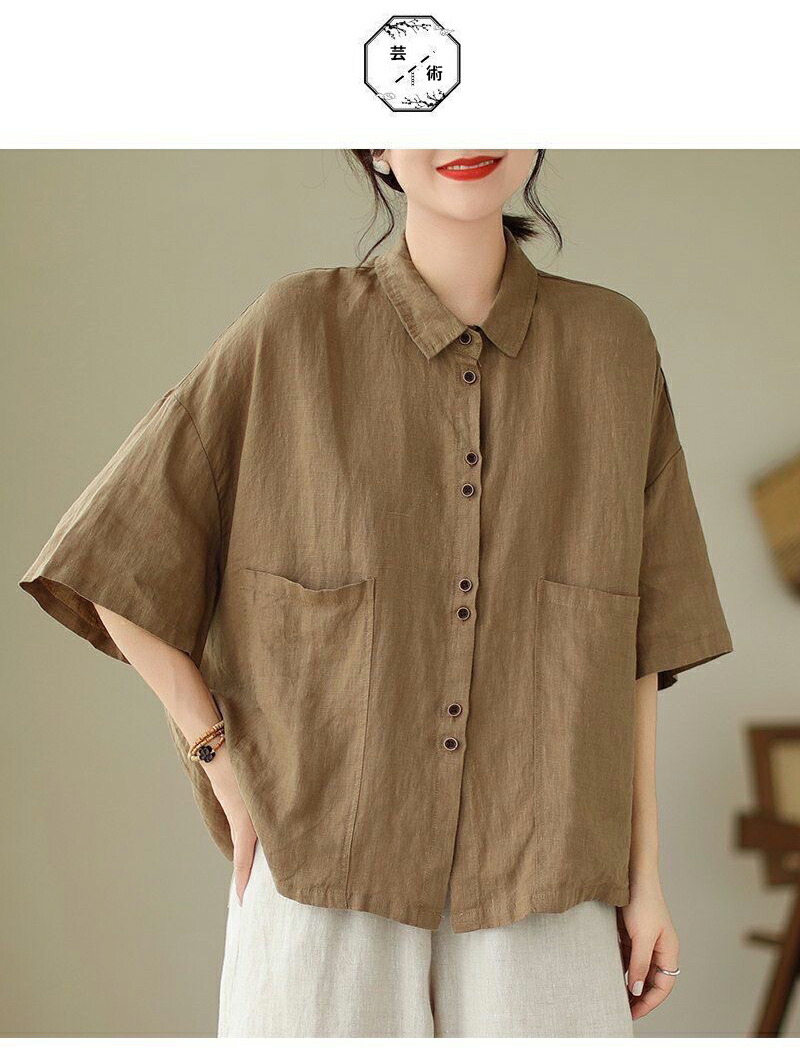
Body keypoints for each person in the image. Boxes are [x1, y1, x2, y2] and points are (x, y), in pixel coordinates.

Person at [19, 149, 733, 1037]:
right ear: (378, 144)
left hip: (549, 879)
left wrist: (644, 877)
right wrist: (220, 763)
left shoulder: (613, 346)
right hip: (321, 879)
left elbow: (633, 647)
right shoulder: (293, 332)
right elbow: (110, 553)